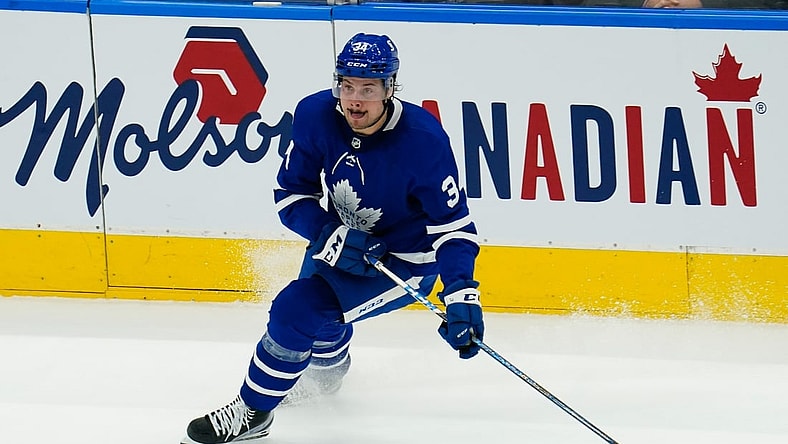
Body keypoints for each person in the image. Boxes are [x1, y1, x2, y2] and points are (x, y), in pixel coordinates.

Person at [180, 33, 484, 444]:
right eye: (347, 85)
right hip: (337, 241)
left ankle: (253, 412)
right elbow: (292, 194)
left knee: (296, 309)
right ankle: (326, 377)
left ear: (390, 88)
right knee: (318, 322)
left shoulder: (424, 141)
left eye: (368, 89)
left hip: (401, 264)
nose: (355, 100)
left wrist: (461, 292)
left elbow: (453, 229)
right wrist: (329, 234)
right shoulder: (315, 115)